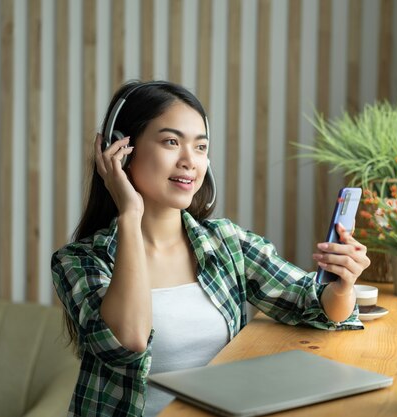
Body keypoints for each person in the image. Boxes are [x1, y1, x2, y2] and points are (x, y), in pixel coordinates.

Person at [51, 80, 371, 417]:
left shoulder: (226, 243)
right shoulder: (79, 262)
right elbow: (129, 340)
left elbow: (313, 303)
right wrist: (130, 214)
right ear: (120, 149)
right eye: (171, 142)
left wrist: (342, 285)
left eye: (201, 147)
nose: (190, 161)